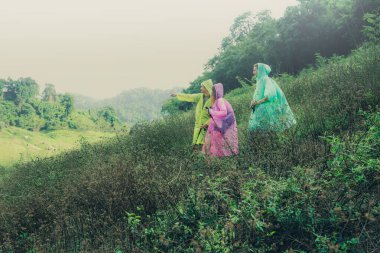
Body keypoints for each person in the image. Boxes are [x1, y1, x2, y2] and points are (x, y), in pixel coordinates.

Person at [248, 63, 296, 132]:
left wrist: (257, 103)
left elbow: (270, 95)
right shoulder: (259, 81)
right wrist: (253, 102)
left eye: (255, 70)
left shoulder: (266, 79)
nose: (253, 72)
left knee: (269, 128)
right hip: (259, 107)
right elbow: (257, 95)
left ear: (260, 70)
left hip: (267, 107)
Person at [171, 79, 213, 155]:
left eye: (202, 87)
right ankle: (196, 161)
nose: (200, 88)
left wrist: (207, 123)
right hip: (198, 126)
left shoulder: (213, 100)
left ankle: (208, 163)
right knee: (195, 145)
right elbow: (189, 96)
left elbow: (215, 115)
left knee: (207, 146)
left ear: (206, 88)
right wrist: (177, 95)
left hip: (207, 127)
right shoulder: (200, 96)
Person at [202, 83, 238, 157]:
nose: (212, 93)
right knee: (210, 142)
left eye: (213, 91)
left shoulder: (220, 100)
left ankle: (214, 159)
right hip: (215, 125)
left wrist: (211, 111)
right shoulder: (216, 101)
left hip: (219, 126)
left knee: (214, 142)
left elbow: (224, 112)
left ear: (216, 91)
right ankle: (211, 159)